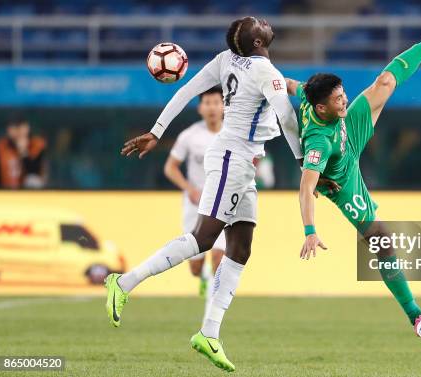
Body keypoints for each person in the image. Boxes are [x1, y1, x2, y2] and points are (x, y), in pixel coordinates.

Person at [104, 16, 302, 372]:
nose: (264, 22)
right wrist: (304, 162)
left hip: (243, 160)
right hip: (232, 157)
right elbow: (287, 118)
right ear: (258, 42)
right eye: (258, 25)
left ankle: (209, 334)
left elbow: (185, 91)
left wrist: (157, 130)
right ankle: (124, 282)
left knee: (240, 249)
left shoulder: (225, 59)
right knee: (203, 239)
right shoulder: (265, 70)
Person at [288, 5, 421, 342]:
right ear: (322, 108)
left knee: (385, 80)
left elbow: (289, 85)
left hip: (349, 128)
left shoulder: (313, 98)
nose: (344, 97)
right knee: (381, 238)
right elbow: (306, 186)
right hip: (342, 176)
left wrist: (273, 82)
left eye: (342, 92)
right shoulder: (319, 142)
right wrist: (310, 230)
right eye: (337, 98)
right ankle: (416, 316)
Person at [163, 86, 226, 320]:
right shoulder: (189, 136)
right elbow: (170, 168)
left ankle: (212, 312)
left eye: (216, 102)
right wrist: (189, 189)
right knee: (195, 266)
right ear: (200, 108)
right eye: (207, 103)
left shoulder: (232, 133)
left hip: (222, 203)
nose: (212, 108)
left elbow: (252, 160)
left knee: (219, 256)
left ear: (224, 106)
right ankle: (202, 277)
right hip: (195, 205)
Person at [0, 117, 47, 189]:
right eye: (14, 127)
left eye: (20, 127)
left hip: (28, 195)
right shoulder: (1, 147)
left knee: (33, 180)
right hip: (5, 192)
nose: (18, 131)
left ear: (27, 128)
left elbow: (34, 173)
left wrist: (23, 152)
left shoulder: (36, 144)